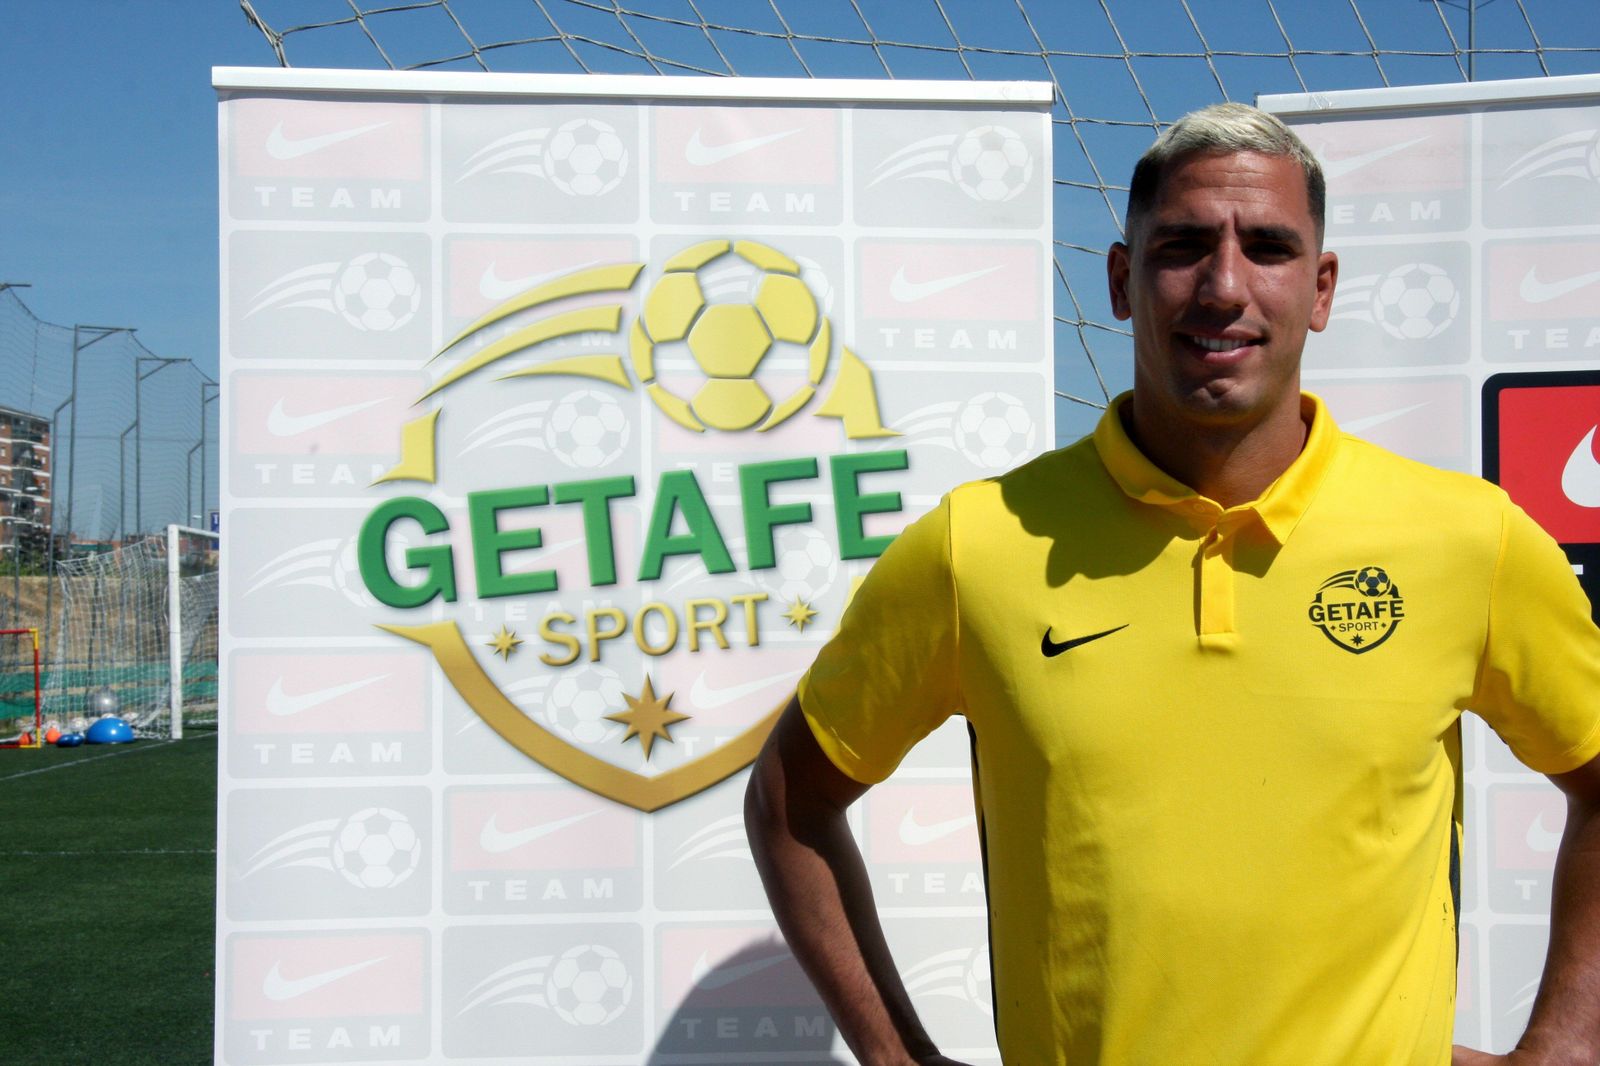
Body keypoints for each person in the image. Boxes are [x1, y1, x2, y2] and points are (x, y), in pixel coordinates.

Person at [744, 102, 1600, 1066]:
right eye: (1184, 245)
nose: (1224, 285)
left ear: (1321, 290)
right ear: (1122, 279)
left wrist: (1563, 1046)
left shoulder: (1466, 540)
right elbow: (790, 800)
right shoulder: (974, 548)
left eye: (1268, 248)